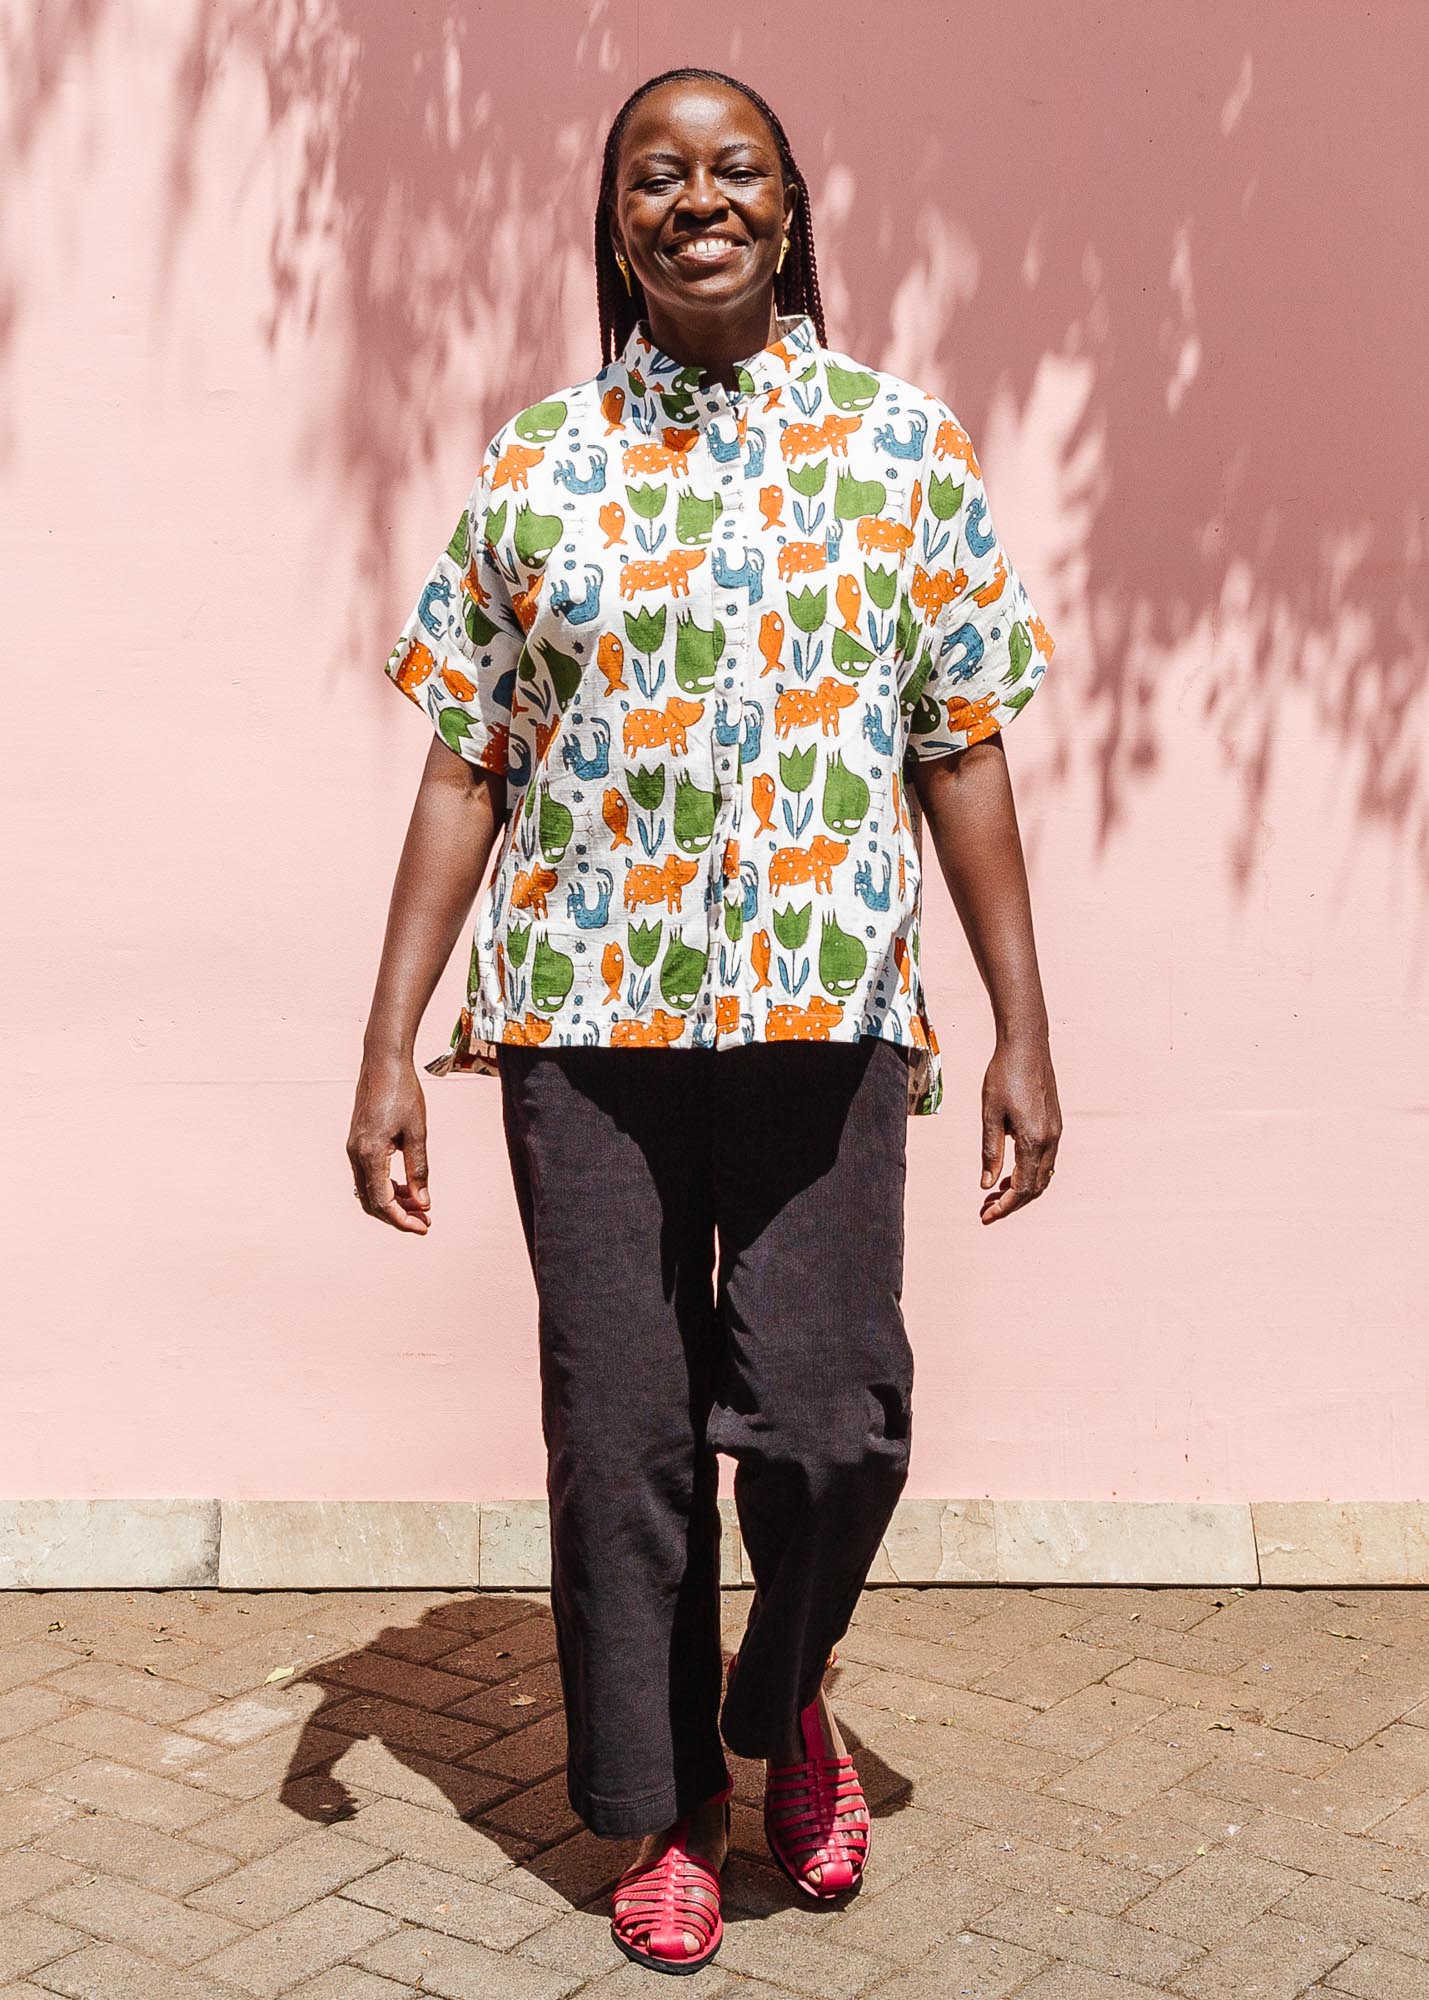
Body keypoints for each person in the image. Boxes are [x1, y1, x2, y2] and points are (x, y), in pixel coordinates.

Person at [348, 63, 1062, 1977]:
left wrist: (1022, 1024)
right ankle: (665, 1807)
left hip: (822, 1018)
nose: (696, 198)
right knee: (624, 1440)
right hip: (582, 1023)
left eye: (732, 167)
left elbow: (960, 743)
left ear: (789, 205)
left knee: (828, 1425)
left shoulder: (902, 452)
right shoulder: (538, 465)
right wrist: (385, 1041)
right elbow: (463, 762)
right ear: (613, 227)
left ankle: (783, 1698)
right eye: (654, 176)